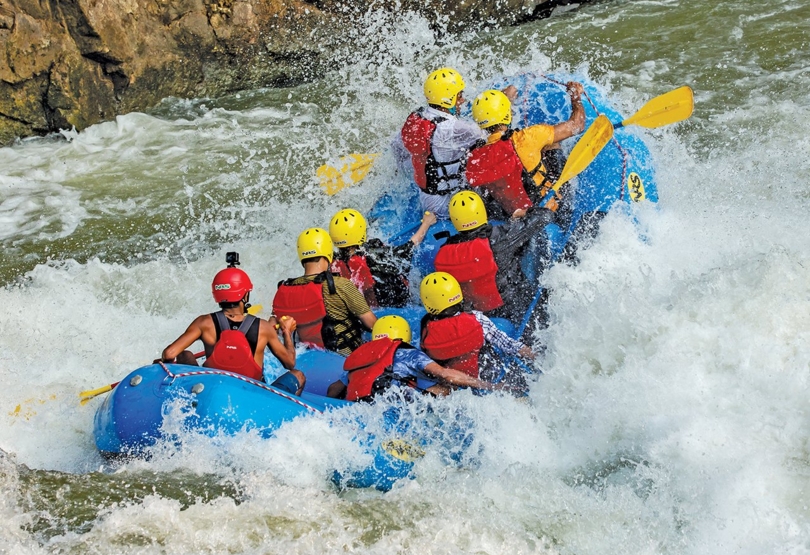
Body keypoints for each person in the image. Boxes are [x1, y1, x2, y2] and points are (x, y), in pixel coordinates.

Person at [160, 253, 305, 395]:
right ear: (245, 294)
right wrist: (287, 332)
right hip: (250, 394)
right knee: (298, 375)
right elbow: (290, 363)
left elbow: (169, 353)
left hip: (212, 389)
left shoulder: (204, 322)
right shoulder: (264, 327)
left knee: (185, 355)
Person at [398, 67, 518, 219]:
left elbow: (397, 146)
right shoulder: (454, 129)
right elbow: (494, 130)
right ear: (448, 100)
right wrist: (505, 102)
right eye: (459, 96)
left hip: (427, 197)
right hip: (445, 204)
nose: (462, 100)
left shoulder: (417, 118)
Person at [465, 83, 585, 222]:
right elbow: (577, 125)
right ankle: (565, 210)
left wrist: (503, 101)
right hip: (547, 211)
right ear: (507, 114)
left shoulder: (474, 157)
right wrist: (575, 96)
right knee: (552, 144)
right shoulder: (526, 138)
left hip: (512, 216)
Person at [326, 315, 512, 401]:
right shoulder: (409, 354)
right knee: (446, 388)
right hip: (390, 411)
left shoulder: (361, 359)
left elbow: (333, 389)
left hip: (360, 407)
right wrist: (491, 386)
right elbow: (446, 374)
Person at [433, 190, 554, 323]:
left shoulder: (444, 252)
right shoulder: (498, 238)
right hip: (513, 305)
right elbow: (545, 216)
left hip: (478, 313)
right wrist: (523, 213)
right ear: (481, 211)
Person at [419, 271, 535, 388]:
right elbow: (507, 344)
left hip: (453, 383)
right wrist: (534, 355)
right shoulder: (476, 319)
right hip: (486, 375)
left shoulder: (426, 329)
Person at [273, 227, 377, 356]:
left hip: (306, 357)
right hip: (344, 358)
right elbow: (372, 324)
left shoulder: (284, 290)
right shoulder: (340, 285)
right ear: (328, 252)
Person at [329, 208, 437, 308]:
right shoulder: (370, 256)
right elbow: (407, 249)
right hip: (390, 305)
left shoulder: (332, 261)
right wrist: (426, 223)